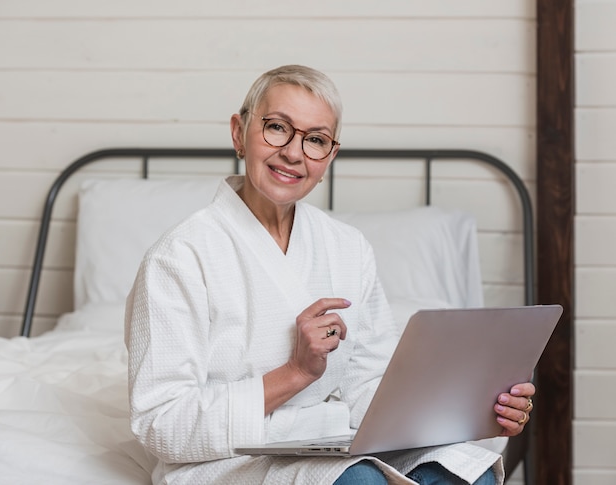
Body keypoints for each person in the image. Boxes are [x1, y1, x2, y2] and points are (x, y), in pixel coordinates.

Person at [125, 64, 535, 485]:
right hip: (227, 463)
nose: (293, 153)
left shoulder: (347, 248)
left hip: (333, 444)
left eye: (316, 140)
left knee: (470, 475)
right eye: (276, 127)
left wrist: (475, 408)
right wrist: (295, 374)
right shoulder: (178, 258)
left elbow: (368, 388)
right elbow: (162, 425)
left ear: (330, 156)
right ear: (238, 132)